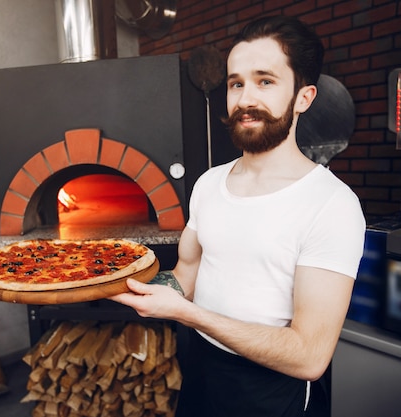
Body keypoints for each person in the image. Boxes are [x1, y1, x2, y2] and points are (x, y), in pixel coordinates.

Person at [110, 15, 366, 417]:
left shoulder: (332, 204)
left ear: (303, 97)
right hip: (202, 369)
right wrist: (114, 282)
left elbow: (310, 356)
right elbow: (185, 276)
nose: (246, 99)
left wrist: (187, 314)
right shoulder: (209, 184)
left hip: (272, 390)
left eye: (265, 81)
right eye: (236, 83)